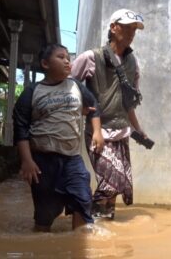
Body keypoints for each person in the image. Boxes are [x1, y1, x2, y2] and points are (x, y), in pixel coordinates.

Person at [13, 44, 104, 232]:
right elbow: (20, 128)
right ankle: (42, 246)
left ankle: (79, 241)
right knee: (45, 214)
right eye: (60, 57)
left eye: (68, 58)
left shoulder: (76, 86)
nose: (67, 61)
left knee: (83, 200)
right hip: (42, 162)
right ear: (45, 64)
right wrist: (27, 160)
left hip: (72, 159)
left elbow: (93, 104)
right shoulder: (32, 92)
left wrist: (97, 132)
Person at [71, 9, 148, 219]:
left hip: (121, 132)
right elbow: (69, 88)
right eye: (127, 27)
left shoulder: (133, 63)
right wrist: (81, 109)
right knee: (109, 181)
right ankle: (87, 223)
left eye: (134, 29)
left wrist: (139, 130)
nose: (132, 33)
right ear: (114, 28)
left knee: (117, 185)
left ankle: (106, 228)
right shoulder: (90, 57)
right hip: (98, 132)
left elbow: (129, 103)